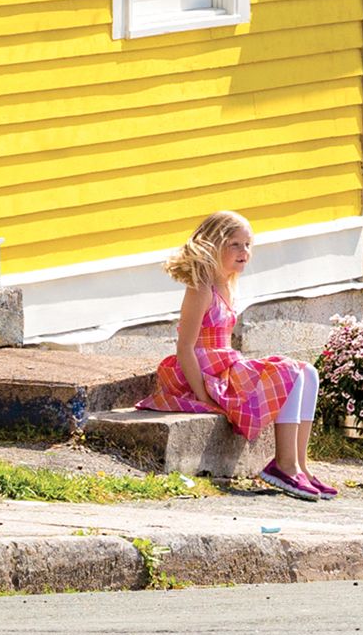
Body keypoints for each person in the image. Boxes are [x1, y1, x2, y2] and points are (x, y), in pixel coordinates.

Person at [137, 211, 334, 500]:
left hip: (223, 365)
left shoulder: (226, 284)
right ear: (214, 245)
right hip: (204, 372)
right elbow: (185, 347)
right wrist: (202, 395)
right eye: (235, 245)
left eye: (248, 245)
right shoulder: (200, 289)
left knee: (309, 372)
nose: (245, 252)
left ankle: (299, 466)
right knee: (289, 371)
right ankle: (284, 464)